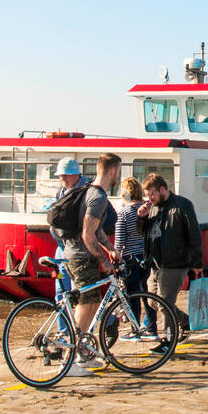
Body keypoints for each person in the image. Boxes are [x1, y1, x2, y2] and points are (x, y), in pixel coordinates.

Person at [51, 154, 121, 375]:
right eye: (118, 171)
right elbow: (87, 234)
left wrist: (110, 248)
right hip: (81, 256)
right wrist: (104, 261)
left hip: (77, 254)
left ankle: (82, 354)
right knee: (85, 304)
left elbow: (96, 229)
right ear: (113, 171)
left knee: (92, 303)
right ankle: (69, 360)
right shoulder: (97, 197)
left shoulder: (92, 192)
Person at [137, 172, 204, 355]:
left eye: (152, 193)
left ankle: (168, 340)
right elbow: (144, 233)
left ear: (162, 189)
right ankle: (185, 321)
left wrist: (197, 262)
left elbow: (194, 234)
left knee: (165, 302)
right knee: (152, 301)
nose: (149, 198)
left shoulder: (182, 205)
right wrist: (141, 218)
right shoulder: (152, 208)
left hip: (175, 262)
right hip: (155, 263)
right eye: (147, 194)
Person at [114, 176, 150, 337]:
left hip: (130, 258)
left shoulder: (124, 213)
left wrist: (115, 255)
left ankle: (135, 329)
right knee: (148, 294)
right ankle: (151, 327)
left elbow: (119, 240)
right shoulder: (147, 209)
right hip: (147, 256)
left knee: (133, 295)